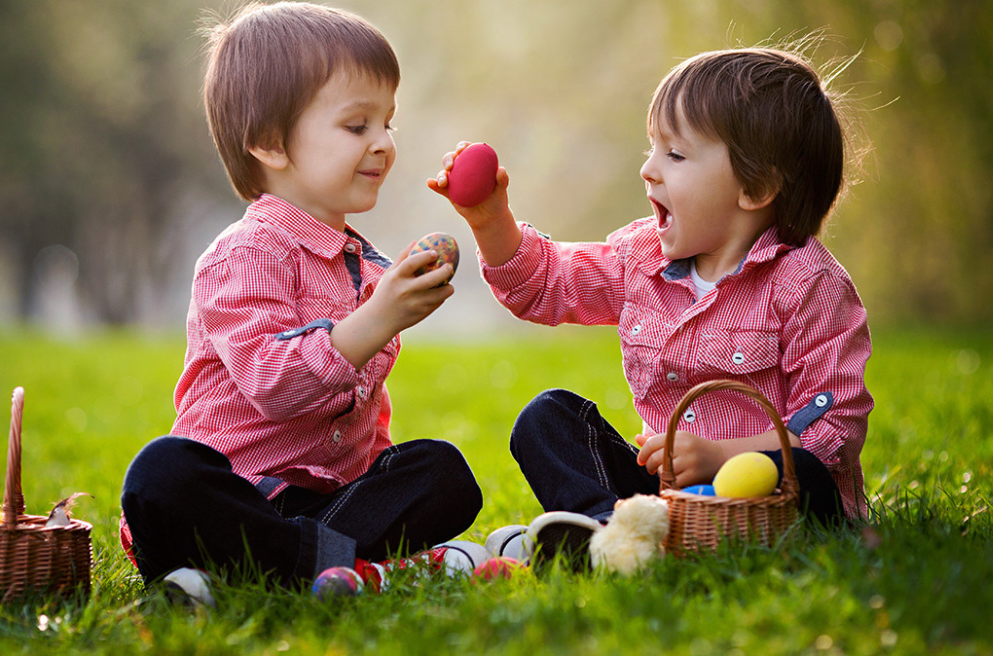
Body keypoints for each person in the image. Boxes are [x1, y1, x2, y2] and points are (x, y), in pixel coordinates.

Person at [432, 43, 872, 568]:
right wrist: (489, 219)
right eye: (652, 148)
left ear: (756, 187)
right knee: (546, 418)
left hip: (771, 500)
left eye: (675, 155)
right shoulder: (640, 257)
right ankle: (609, 532)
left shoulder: (808, 285)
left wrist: (720, 457)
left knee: (814, 475)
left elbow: (834, 431)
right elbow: (547, 283)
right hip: (667, 495)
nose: (648, 170)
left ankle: (625, 538)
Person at [120, 1, 483, 599]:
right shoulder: (245, 253)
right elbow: (271, 382)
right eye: (357, 125)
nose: (384, 144)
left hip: (324, 501)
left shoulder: (364, 265)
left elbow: (365, 420)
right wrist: (376, 319)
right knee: (162, 473)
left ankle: (287, 564)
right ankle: (334, 562)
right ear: (269, 142)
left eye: (388, 123)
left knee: (442, 473)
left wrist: (382, 478)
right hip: (237, 491)